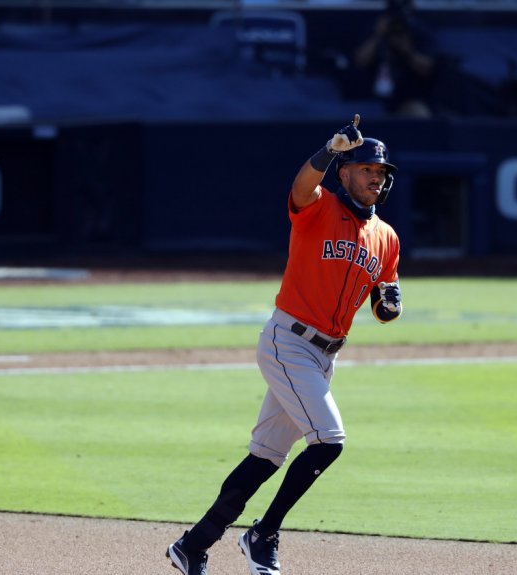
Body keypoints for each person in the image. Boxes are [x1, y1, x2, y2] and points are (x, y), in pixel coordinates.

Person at [165, 115, 403, 575]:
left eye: (381, 173)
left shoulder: (387, 238)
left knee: (265, 456)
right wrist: (327, 151)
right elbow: (301, 186)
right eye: (367, 170)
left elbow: (384, 302)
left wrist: (390, 301)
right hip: (288, 341)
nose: (376, 178)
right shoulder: (317, 207)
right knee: (329, 441)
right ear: (346, 173)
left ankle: (193, 545)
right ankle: (263, 534)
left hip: (325, 354)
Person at [353, 0, 436, 117]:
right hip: (370, 97)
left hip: (407, 97)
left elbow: (427, 69)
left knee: (419, 113)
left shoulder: (418, 32)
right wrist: (378, 36)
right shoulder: (374, 28)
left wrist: (407, 51)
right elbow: (360, 61)